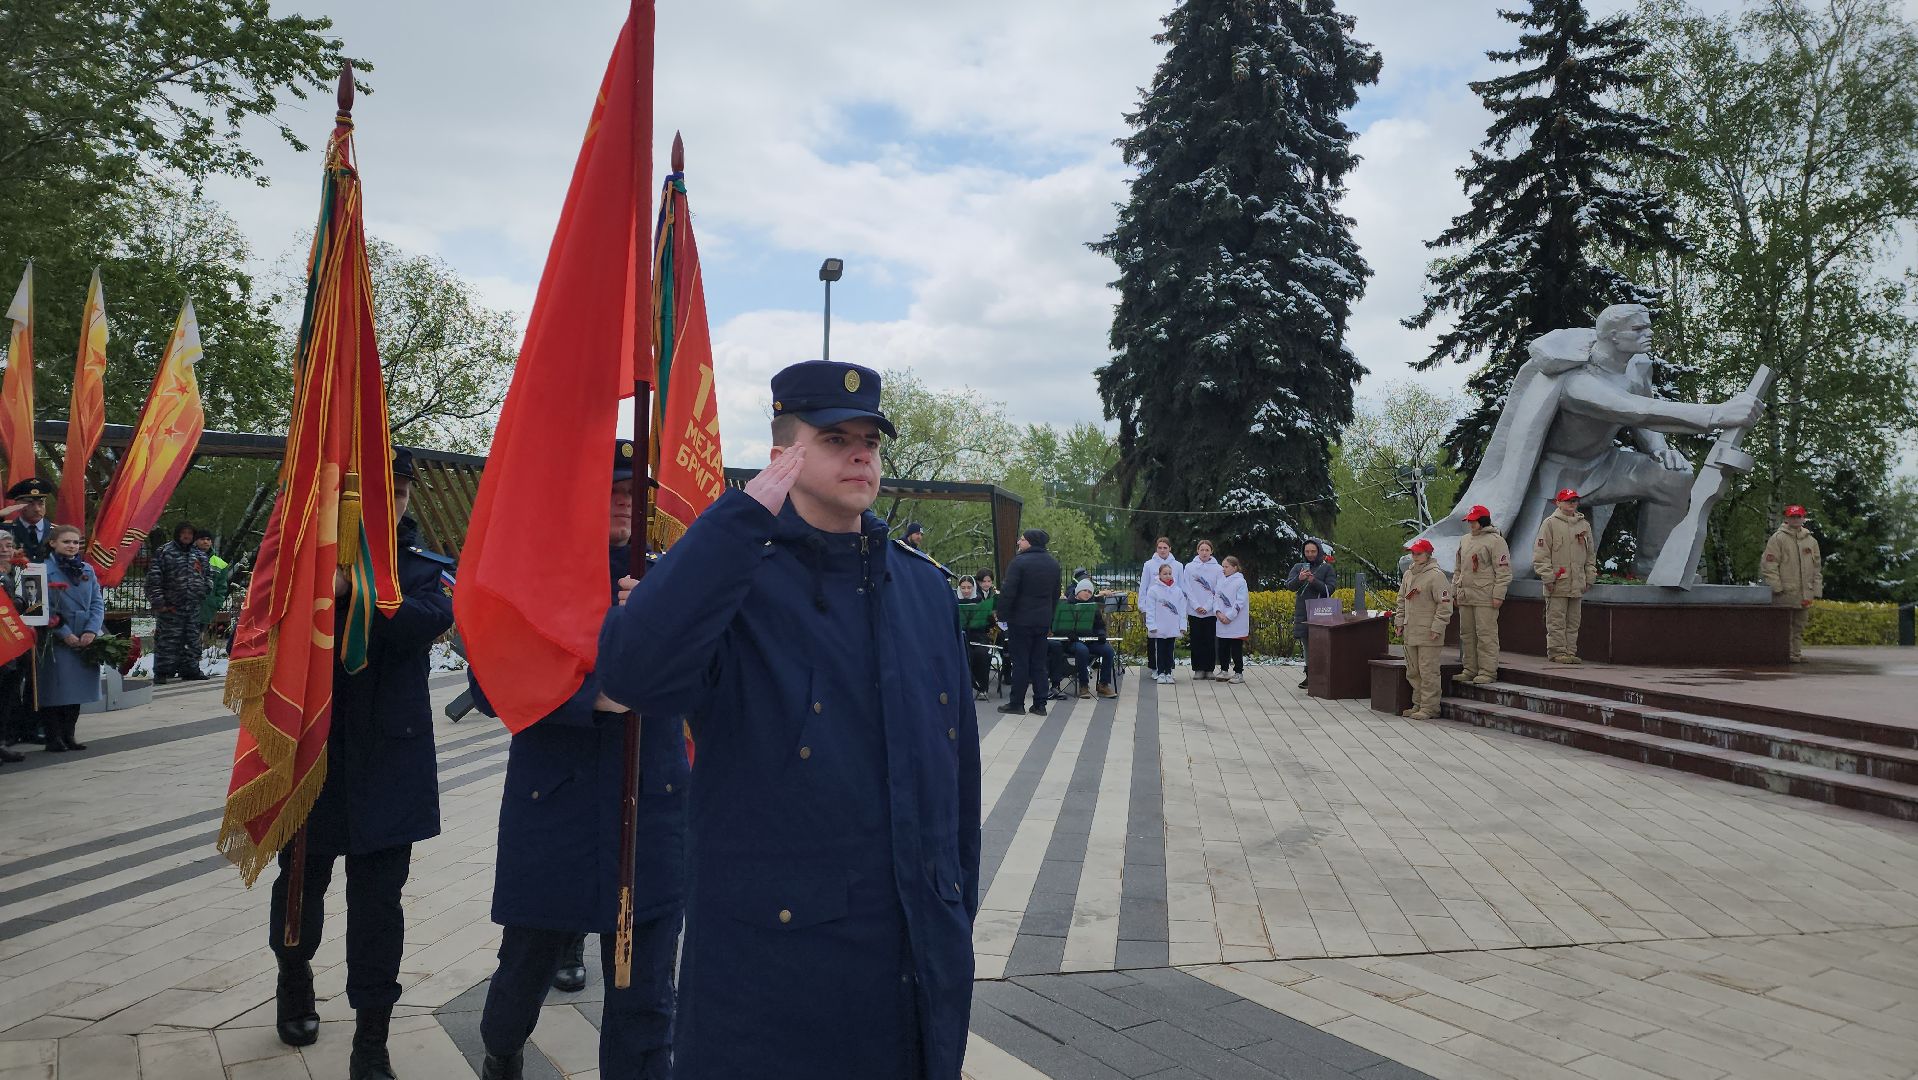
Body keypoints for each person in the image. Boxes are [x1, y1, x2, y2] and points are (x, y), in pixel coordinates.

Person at [596, 360, 978, 1080]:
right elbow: (633, 673)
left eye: (870, 439)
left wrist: (952, 905)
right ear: (783, 456)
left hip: (914, 964)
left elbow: (956, 773)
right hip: (777, 973)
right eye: (835, 438)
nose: (861, 452)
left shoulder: (925, 591)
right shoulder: (736, 581)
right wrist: (737, 518)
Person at [473, 440, 688, 1080]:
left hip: (652, 801)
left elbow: (716, 669)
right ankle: (500, 1051)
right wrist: (591, 695)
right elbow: (491, 683)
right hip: (557, 803)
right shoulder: (531, 580)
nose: (625, 497)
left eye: (633, 488)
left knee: (646, 993)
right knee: (525, 967)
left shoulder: (672, 578)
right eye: (610, 486)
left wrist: (653, 627)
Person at [266, 449, 454, 1080]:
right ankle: (294, 977)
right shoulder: (306, 562)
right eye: (377, 494)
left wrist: (355, 589)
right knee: (300, 888)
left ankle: (371, 1039)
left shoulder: (428, 571)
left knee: (379, 910)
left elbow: (419, 626)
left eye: (398, 494)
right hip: (313, 754)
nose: (391, 503)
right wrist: (321, 576)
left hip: (388, 763)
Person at [34, 526, 104, 752]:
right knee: (55, 689)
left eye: (76, 542)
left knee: (77, 690)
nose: (72, 546)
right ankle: (53, 737)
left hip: (84, 636)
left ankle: (69, 735)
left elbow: (97, 603)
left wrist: (92, 630)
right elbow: (39, 606)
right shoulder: (42, 570)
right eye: (66, 542)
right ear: (53, 543)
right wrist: (64, 633)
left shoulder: (87, 569)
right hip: (56, 637)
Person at [996, 527, 1062, 718]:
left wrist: (1002, 615)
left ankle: (1017, 703)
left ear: (1031, 542)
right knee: (1039, 663)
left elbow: (1008, 592)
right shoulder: (1053, 564)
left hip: (1021, 621)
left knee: (1021, 663)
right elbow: (1055, 595)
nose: (1019, 542)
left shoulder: (1019, 562)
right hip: (1041, 622)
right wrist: (1049, 620)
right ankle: (1040, 705)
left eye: (1022, 540)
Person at [1532, 488, 1595, 664]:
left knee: (1573, 621)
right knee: (1556, 620)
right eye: (1568, 501)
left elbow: (1590, 554)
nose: (1572, 504)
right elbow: (1541, 554)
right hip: (1557, 581)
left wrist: (1590, 577)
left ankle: (1570, 651)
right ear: (1558, 503)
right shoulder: (1550, 524)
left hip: (1577, 582)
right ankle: (1557, 652)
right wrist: (1547, 577)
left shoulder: (1584, 525)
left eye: (1574, 501)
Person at [1395, 539, 1454, 720]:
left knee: (1428, 670)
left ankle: (1430, 707)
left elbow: (1445, 605)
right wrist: (1399, 622)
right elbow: (1401, 600)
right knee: (1413, 670)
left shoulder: (1437, 576)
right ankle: (1418, 703)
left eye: (1419, 553)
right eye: (1413, 553)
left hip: (1429, 631)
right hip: (1411, 629)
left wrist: (1437, 627)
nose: (1415, 556)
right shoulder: (1408, 574)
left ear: (1428, 554)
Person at [146, 521, 212, 683]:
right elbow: (153, 579)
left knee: (192, 640)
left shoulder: (200, 555)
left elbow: (208, 577)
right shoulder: (164, 552)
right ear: (178, 534)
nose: (187, 536)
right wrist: (160, 603)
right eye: (184, 533)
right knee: (167, 641)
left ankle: (190, 669)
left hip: (192, 607)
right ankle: (162, 672)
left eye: (190, 533)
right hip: (170, 608)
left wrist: (203, 591)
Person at [1453, 505, 1512, 684]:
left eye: (1474, 520)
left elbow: (1503, 571)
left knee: (1486, 635)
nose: (1471, 523)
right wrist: (1455, 591)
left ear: (1483, 521)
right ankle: (1470, 669)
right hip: (1466, 595)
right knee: (1467, 635)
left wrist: (1499, 595)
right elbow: (1458, 568)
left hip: (1486, 595)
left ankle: (1487, 671)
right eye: (1470, 520)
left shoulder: (1496, 541)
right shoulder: (1464, 540)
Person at [1762, 505, 1823, 663]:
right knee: (1784, 627)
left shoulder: (1811, 541)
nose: (1795, 520)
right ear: (1786, 518)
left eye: (1798, 517)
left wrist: (1816, 589)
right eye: (1792, 517)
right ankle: (1784, 654)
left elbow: (1816, 567)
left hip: (1805, 592)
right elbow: (1769, 565)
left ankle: (1795, 654)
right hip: (1784, 592)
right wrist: (1776, 587)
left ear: (1803, 518)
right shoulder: (1778, 538)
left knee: (1799, 626)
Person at [1283, 540, 1336, 689]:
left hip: (1321, 612)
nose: (1310, 554)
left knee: (1322, 645)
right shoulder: (1298, 567)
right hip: (1303, 611)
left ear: (1318, 551)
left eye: (1313, 551)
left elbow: (1329, 590)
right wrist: (1299, 579)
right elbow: (1289, 585)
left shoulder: (1327, 568)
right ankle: (1310, 675)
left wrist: (1314, 581)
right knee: (1307, 645)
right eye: (1307, 552)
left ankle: (1323, 675)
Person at [0, 533, 30, 763]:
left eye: (8, 546)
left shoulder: (9, 576)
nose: (4, 550)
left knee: (7, 696)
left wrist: (22, 602)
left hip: (9, 648)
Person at [1064, 582, 1118, 699]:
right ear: (1078, 591)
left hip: (1091, 641)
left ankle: (1103, 685)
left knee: (1108, 651)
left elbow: (1100, 626)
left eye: (1090, 592)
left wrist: (1101, 635)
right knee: (1082, 651)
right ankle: (1084, 685)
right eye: (1085, 591)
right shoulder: (1067, 605)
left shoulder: (1093, 606)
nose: (1087, 594)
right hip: (1073, 642)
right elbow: (1061, 626)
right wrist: (1070, 634)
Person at [1182, 540, 1223, 680]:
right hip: (1194, 611)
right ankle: (1198, 669)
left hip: (1210, 612)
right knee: (1196, 640)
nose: (1204, 552)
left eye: (1207, 550)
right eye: (1202, 550)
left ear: (1211, 551)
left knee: (1210, 640)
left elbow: (1218, 590)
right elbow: (1186, 587)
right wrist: (1196, 606)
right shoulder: (1189, 567)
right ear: (1197, 551)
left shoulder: (1217, 569)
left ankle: (1209, 669)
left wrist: (1206, 607)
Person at [1142, 561, 1185, 684]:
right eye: (1165, 573)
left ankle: (1169, 672)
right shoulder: (1153, 590)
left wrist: (1182, 626)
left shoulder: (1177, 591)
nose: (1167, 576)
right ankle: (1160, 672)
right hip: (1159, 628)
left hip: (1172, 626)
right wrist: (1151, 625)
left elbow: (1182, 609)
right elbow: (1150, 610)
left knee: (1169, 651)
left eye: (1169, 573)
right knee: (1159, 651)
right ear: (1159, 574)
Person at [956, 576, 994, 700]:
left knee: (982, 654)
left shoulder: (979, 601)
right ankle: (965, 688)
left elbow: (988, 624)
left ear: (973, 588)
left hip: (978, 637)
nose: (966, 591)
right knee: (964, 654)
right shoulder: (954, 601)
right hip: (960, 638)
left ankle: (982, 688)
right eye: (963, 588)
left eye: (969, 587)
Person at [1213, 555, 1249, 684]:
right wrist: (1218, 612)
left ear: (1234, 568)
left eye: (1226, 567)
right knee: (1223, 646)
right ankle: (1224, 670)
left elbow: (1240, 602)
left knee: (1236, 648)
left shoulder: (1240, 582)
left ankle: (1238, 673)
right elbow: (1216, 597)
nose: (1223, 569)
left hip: (1235, 622)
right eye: (1223, 566)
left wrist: (1229, 616)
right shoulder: (1221, 580)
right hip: (1221, 620)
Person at [2, 478, 55, 561]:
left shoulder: (57, 532)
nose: (37, 509)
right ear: (17, 505)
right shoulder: (5, 530)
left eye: (41, 503)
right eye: (30, 503)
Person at [1138, 536, 1181, 601]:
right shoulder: (1148, 565)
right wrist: (1142, 607)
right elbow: (1143, 587)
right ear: (1156, 549)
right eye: (1160, 548)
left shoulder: (1178, 565)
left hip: (1172, 604)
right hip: (1153, 603)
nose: (1162, 550)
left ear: (1170, 548)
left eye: (1165, 548)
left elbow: (1181, 587)